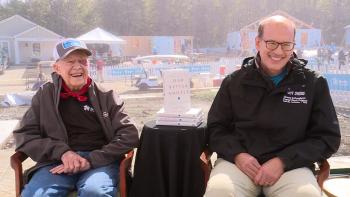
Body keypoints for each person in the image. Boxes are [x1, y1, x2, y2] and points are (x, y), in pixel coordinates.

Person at [205, 15, 340, 197]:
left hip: (291, 168)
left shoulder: (312, 83)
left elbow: (327, 138)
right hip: (238, 165)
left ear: (293, 45)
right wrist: (238, 155)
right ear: (258, 42)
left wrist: (283, 161)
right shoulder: (234, 82)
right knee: (220, 192)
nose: (279, 51)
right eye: (271, 43)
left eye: (286, 44)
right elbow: (216, 129)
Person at [13, 38, 139, 196]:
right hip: (57, 162)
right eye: (70, 61)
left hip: (100, 162)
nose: (78, 66)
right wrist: (63, 153)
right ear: (56, 67)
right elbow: (24, 135)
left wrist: (91, 160)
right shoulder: (45, 95)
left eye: (82, 61)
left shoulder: (106, 95)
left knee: (95, 192)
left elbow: (129, 135)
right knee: (36, 194)